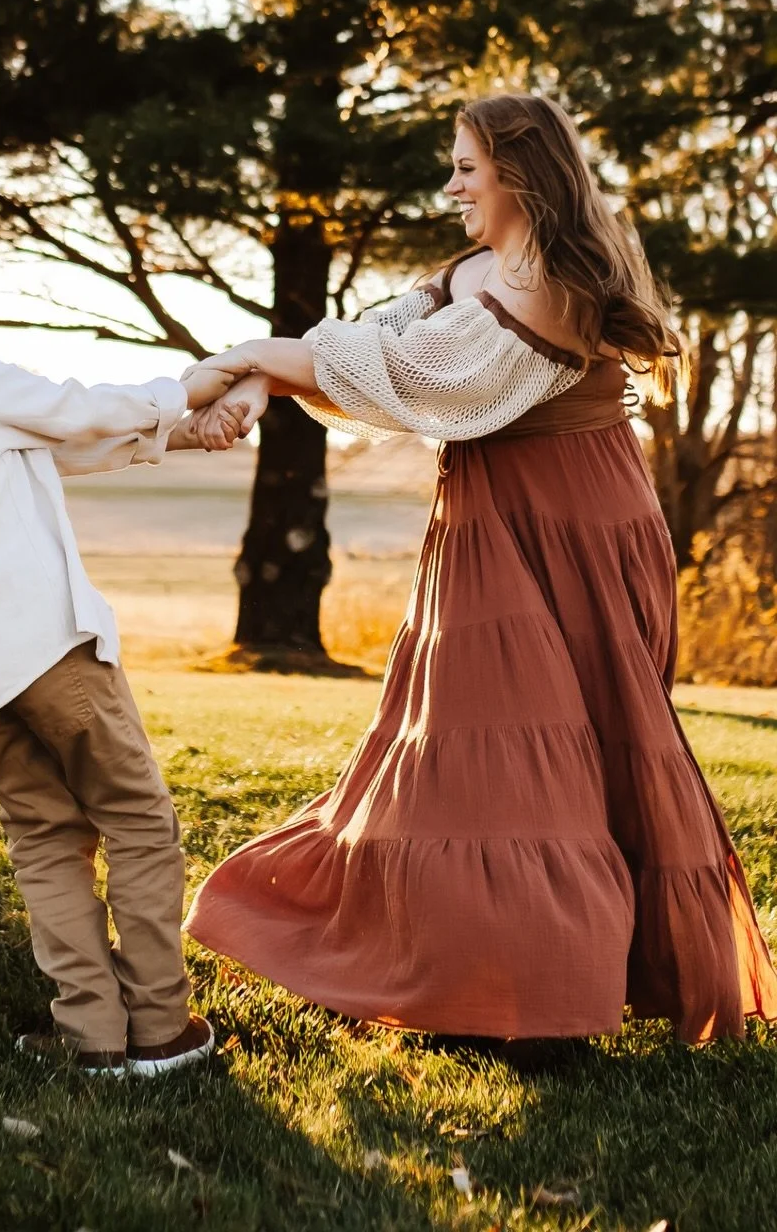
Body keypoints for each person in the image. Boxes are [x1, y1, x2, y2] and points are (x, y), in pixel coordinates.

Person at [183, 93, 777, 1044]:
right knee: (474, 742)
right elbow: (371, 348)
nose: (451, 183)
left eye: (467, 166)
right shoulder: (471, 270)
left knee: (548, 744)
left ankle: (546, 990)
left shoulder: (552, 284)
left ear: (521, 173)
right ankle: (487, 978)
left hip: (573, 525)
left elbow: (427, 381)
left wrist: (251, 354)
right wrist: (256, 379)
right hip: (490, 521)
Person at [0, 227, 245, 1075]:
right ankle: (162, 1030)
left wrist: (182, 431)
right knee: (137, 819)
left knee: (44, 833)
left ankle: (90, 1035)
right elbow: (75, 406)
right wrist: (188, 386)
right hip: (38, 641)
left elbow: (47, 445)